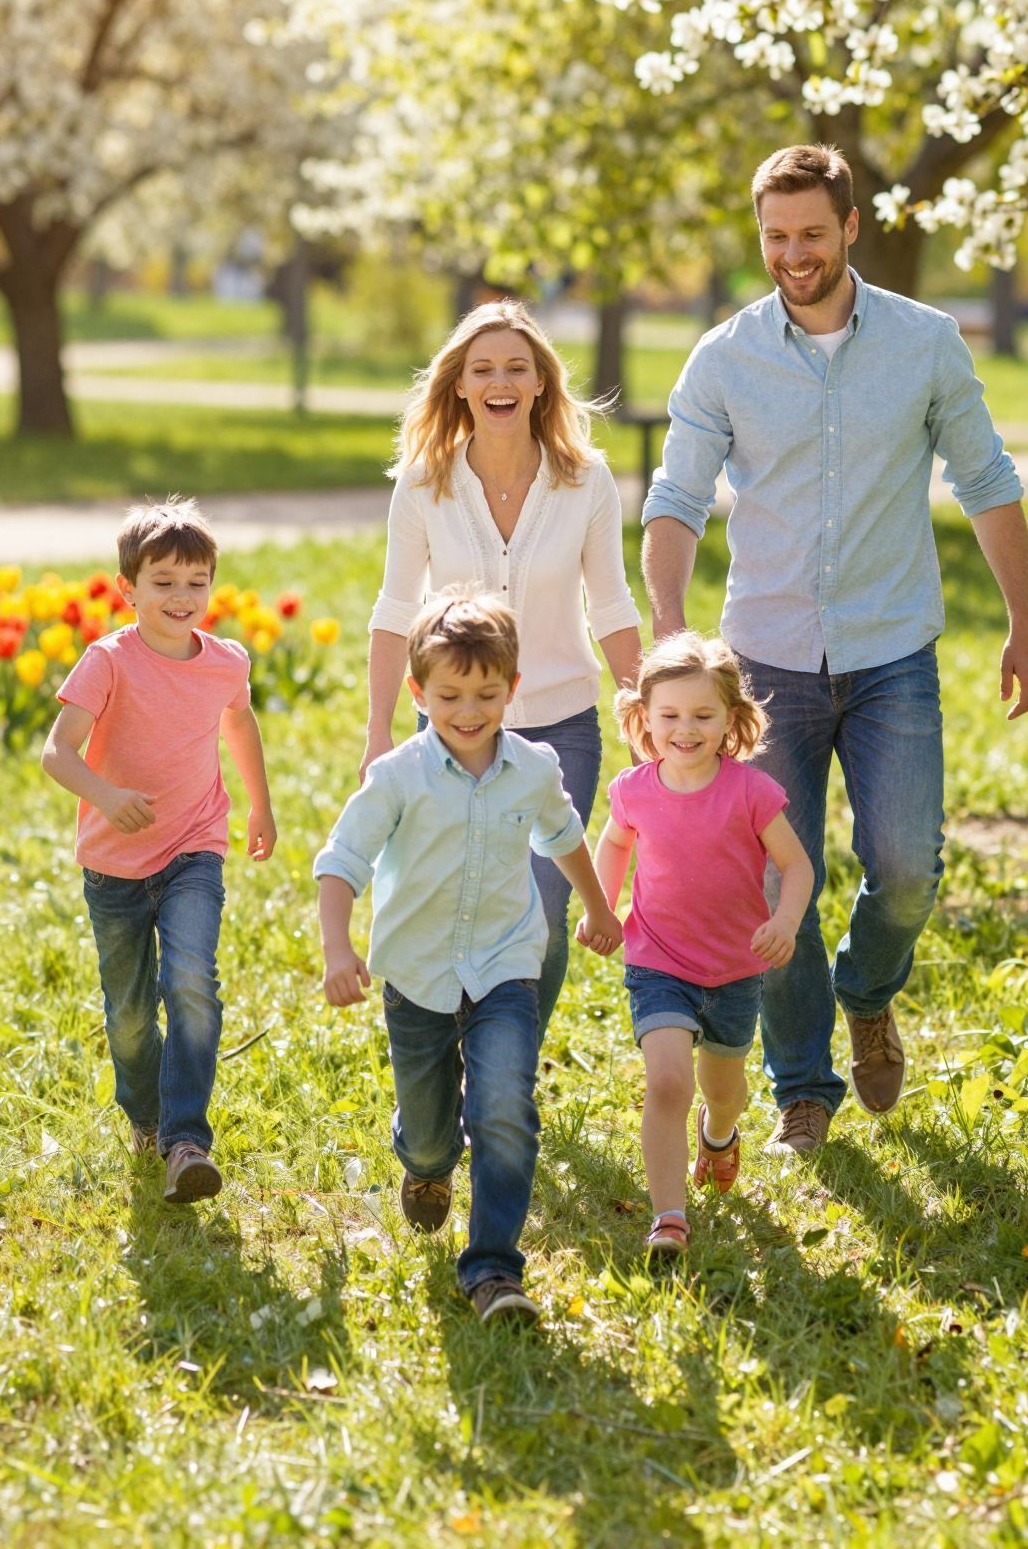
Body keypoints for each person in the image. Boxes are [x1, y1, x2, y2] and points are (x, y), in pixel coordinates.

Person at [642, 143, 1028, 1157]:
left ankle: (869, 992)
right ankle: (803, 1083)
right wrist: (668, 627)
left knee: (906, 864)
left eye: (811, 233)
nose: (793, 253)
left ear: (851, 227)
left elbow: (986, 476)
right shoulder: (724, 357)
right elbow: (678, 497)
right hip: (762, 662)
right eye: (776, 235)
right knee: (772, 885)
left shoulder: (925, 342)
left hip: (891, 649)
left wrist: (1026, 622)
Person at [316, 592, 622, 1321]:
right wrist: (337, 947)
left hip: (506, 965)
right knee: (429, 1134)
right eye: (449, 694)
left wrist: (601, 906)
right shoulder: (396, 775)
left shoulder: (534, 768)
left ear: (513, 690)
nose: (469, 709)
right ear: (419, 693)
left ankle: (493, 1270)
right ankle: (425, 1165)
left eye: (487, 693)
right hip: (418, 975)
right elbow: (341, 860)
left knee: (504, 1108)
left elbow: (563, 836)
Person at [361, 299, 642, 1035]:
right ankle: (456, 1053)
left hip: (561, 727)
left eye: (517, 367)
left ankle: (507, 1062)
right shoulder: (424, 482)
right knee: (459, 897)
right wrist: (377, 732)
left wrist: (645, 705)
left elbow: (611, 605)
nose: (501, 381)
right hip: (452, 728)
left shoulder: (587, 481)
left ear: (541, 383)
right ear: (459, 384)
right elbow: (395, 610)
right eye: (483, 368)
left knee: (543, 907)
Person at [41, 497, 276, 1203]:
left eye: (196, 581)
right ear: (129, 589)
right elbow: (58, 752)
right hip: (113, 866)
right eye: (164, 581)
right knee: (132, 1012)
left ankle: (185, 1140)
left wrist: (260, 803)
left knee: (192, 982)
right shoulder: (108, 660)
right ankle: (145, 1118)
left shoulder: (225, 662)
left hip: (194, 848)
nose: (182, 596)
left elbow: (240, 726)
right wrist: (107, 795)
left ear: (213, 585)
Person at [593, 634, 813, 1255]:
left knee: (724, 1088)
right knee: (667, 1081)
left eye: (702, 715)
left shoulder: (750, 792)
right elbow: (613, 846)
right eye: (669, 716)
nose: (684, 729)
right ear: (644, 718)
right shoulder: (634, 790)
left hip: (736, 968)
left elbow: (797, 867)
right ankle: (669, 1216)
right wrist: (603, 907)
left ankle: (718, 1133)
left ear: (730, 721)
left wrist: (787, 921)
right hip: (657, 961)